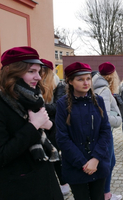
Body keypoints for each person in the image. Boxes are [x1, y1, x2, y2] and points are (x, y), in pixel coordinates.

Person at [0, 46, 63, 200]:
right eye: (31, 71)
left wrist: (49, 126)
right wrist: (33, 126)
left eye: (39, 71)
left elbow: (56, 144)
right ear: (10, 70)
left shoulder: (34, 101)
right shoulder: (2, 104)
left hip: (46, 183)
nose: (39, 77)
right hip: (18, 189)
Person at [56, 62, 111, 200]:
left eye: (88, 78)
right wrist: (82, 163)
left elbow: (105, 130)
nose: (86, 83)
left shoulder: (98, 100)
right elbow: (62, 138)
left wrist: (96, 158)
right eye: (80, 79)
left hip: (98, 163)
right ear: (70, 81)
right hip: (75, 165)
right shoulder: (62, 104)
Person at [92, 62, 122, 200]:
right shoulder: (104, 90)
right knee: (108, 163)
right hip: (104, 132)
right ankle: (106, 194)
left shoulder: (96, 86)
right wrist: (118, 120)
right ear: (111, 75)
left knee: (110, 161)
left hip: (98, 132)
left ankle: (104, 192)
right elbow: (104, 115)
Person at [40, 58, 70, 195]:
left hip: (53, 127)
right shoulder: (36, 85)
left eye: (41, 70)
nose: (39, 74)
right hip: (40, 128)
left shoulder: (59, 85)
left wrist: (39, 107)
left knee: (55, 156)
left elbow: (58, 107)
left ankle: (63, 184)